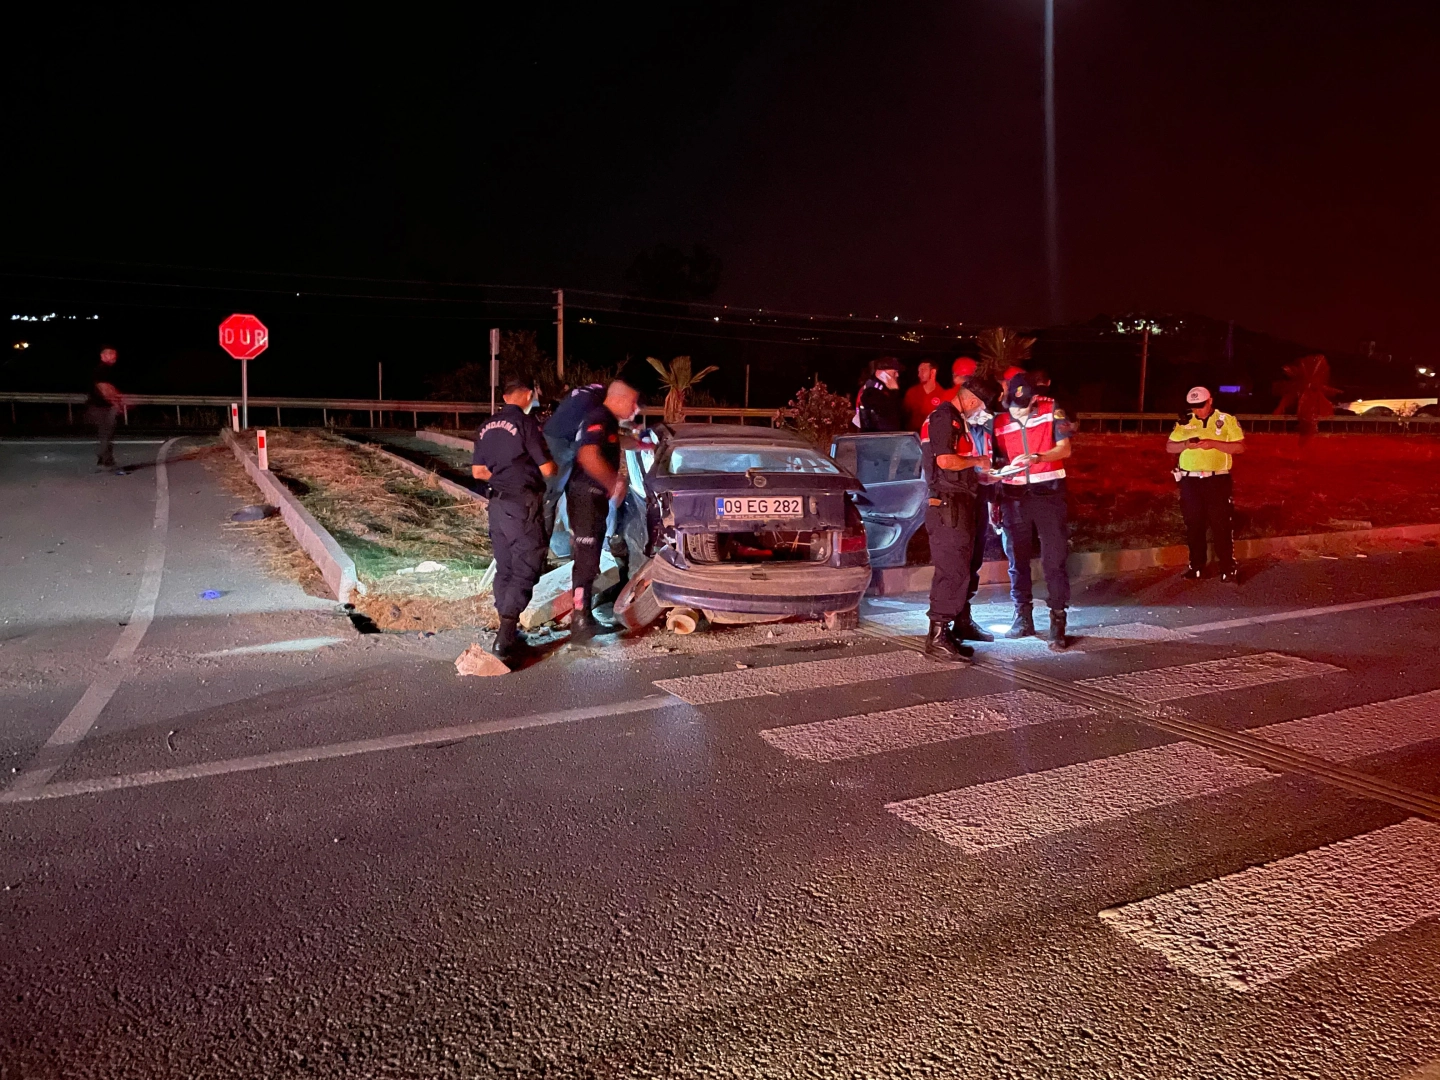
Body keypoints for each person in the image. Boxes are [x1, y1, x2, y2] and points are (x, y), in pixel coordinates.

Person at [471, 378, 557, 661]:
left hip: (497, 506)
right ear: (528, 395)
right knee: (526, 566)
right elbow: (547, 468)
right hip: (522, 505)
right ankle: (505, 638)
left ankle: (506, 628)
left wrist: (503, 478)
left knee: (505, 568)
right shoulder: (526, 424)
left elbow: (478, 472)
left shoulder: (485, 426)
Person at [993, 373, 1074, 649]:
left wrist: (1039, 458)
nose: (1020, 410)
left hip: (1049, 492)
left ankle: (1058, 619)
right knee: (1016, 558)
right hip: (1013, 496)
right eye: (1015, 405)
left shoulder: (1051, 409)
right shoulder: (998, 421)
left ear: (1034, 397)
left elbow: (1065, 449)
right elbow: (994, 458)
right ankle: (1022, 616)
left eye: (1025, 404)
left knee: (1054, 558)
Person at [919, 382, 994, 661]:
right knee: (952, 568)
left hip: (961, 502)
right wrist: (978, 461)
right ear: (972, 401)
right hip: (947, 504)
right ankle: (937, 636)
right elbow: (945, 461)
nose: (981, 413)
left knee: (966, 565)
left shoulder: (957, 420)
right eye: (981, 407)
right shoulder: (943, 417)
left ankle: (959, 623)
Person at [566, 380, 640, 642]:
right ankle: (581, 621)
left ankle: (582, 616)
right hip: (586, 497)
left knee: (588, 557)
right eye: (633, 402)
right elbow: (588, 454)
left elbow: (613, 441)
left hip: (588, 497)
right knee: (586, 561)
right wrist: (613, 482)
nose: (636, 409)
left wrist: (642, 445)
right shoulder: (599, 417)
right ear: (618, 399)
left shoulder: (605, 420)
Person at [1167, 385, 1245, 582]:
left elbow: (1240, 447)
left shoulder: (1226, 420)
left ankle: (1228, 567)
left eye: (1201, 405)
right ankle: (1196, 566)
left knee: (1221, 524)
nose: (1197, 410)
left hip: (1217, 480)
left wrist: (1213, 444)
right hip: (1190, 481)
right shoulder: (1185, 421)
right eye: (1194, 406)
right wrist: (1186, 445)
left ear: (1210, 401)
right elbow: (1169, 447)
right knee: (1193, 524)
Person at [954, 376, 1000, 643]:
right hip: (959, 500)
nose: (985, 413)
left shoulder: (984, 430)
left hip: (980, 497)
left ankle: (963, 619)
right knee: (957, 563)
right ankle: (947, 622)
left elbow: (987, 463)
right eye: (984, 407)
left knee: (974, 561)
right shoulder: (951, 425)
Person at [542, 381, 606, 546]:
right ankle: (544, 544)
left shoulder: (579, 394)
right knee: (553, 495)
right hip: (562, 444)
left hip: (552, 436)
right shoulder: (597, 405)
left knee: (559, 492)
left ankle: (567, 538)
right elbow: (587, 436)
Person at [86, 346, 123, 469]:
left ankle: (103, 458)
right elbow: (105, 389)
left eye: (115, 354)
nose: (115, 357)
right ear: (103, 356)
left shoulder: (107, 370)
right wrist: (116, 403)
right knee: (107, 433)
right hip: (102, 406)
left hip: (102, 405)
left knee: (106, 433)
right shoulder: (102, 370)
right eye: (111, 354)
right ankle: (107, 460)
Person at [853, 358, 903, 432]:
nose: (897, 375)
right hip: (876, 436)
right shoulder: (871, 390)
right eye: (894, 372)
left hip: (885, 435)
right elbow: (888, 413)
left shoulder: (883, 389)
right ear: (882, 373)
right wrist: (894, 392)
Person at [903, 359, 954, 431]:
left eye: (923, 370)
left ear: (933, 372)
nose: (919, 375)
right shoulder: (912, 392)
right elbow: (904, 416)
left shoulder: (943, 394)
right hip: (914, 435)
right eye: (919, 371)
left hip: (934, 435)